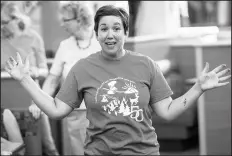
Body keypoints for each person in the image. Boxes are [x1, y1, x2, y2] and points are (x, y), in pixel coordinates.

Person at [4, 5, 231, 155]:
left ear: (126, 33)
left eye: (116, 28)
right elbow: (56, 110)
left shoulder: (146, 65)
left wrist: (199, 88)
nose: (110, 34)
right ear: (97, 33)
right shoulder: (82, 68)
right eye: (104, 28)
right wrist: (25, 80)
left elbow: (168, 111)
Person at [28, 1, 101, 155]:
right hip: (75, 114)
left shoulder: (102, 41)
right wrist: (39, 102)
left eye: (66, 20)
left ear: (79, 19)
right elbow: (53, 79)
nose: (62, 24)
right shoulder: (65, 46)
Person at [1, 2, 59, 155]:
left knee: (47, 144)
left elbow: (45, 70)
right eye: (1, 22)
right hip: (7, 104)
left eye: (5, 22)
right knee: (17, 147)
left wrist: (33, 71)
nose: (2, 26)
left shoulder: (34, 37)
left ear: (17, 19)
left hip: (33, 101)